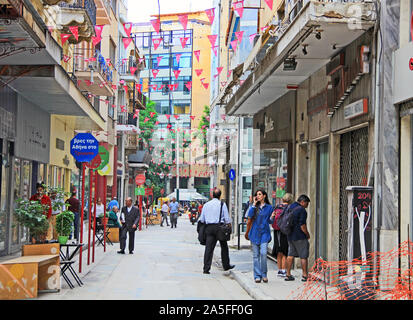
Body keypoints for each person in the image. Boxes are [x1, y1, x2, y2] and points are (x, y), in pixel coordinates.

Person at [199, 188, 235, 274]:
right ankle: (226, 265)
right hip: (220, 228)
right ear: (220, 195)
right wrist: (230, 227)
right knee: (224, 246)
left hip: (209, 228)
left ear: (212, 195)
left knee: (209, 248)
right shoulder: (222, 204)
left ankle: (206, 268)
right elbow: (227, 218)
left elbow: (202, 219)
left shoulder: (206, 205)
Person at [246, 189, 275, 283]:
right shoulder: (253, 207)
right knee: (255, 256)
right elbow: (249, 217)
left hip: (265, 234)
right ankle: (257, 276)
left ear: (264, 196)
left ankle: (264, 274)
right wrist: (254, 205)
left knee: (263, 253)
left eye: (259, 194)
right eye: (256, 195)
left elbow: (270, 221)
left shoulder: (269, 207)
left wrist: (272, 217)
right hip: (254, 233)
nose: (258, 196)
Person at [284, 194, 311, 282]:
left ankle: (288, 274)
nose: (307, 206)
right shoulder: (302, 210)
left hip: (290, 235)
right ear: (302, 202)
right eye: (307, 203)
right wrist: (307, 234)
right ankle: (305, 275)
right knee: (303, 256)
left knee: (290, 255)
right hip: (300, 236)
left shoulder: (290, 207)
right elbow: (302, 225)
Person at [271, 193, 294, 277]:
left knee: (279, 251)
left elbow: (272, 218)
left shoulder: (277, 207)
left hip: (277, 230)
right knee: (285, 251)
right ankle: (284, 270)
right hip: (285, 231)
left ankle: (280, 270)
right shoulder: (290, 208)